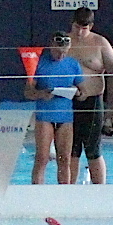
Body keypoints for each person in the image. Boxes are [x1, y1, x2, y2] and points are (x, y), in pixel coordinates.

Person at [66, 7, 113, 184]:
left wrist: (110, 109)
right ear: (72, 23)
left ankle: (100, 190)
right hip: (69, 102)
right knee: (71, 149)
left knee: (93, 149)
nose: (80, 32)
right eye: (77, 27)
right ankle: (69, 190)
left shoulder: (100, 43)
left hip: (93, 102)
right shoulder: (65, 42)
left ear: (91, 26)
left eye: (84, 28)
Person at [26, 31, 84, 184]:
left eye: (64, 53)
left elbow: (82, 92)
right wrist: (41, 94)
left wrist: (76, 92)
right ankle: (37, 191)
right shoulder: (38, 63)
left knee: (64, 159)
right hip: (45, 116)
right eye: (58, 52)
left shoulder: (73, 64)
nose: (61, 56)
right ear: (51, 46)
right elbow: (28, 93)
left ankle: (64, 192)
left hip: (65, 116)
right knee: (42, 158)